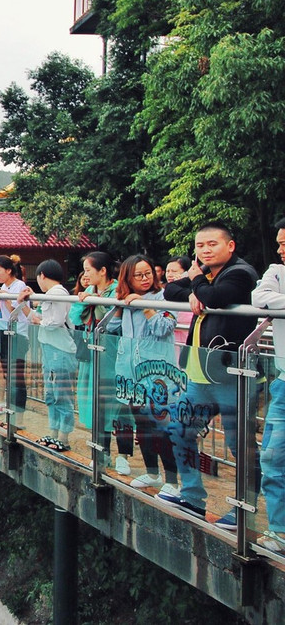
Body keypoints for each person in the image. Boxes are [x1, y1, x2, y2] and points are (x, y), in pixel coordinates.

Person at [156, 223, 259, 529]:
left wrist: (196, 280)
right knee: (179, 428)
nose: (204, 250)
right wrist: (194, 291)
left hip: (232, 376)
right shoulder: (210, 277)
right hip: (200, 377)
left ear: (231, 246)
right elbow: (170, 289)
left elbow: (216, 297)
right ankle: (192, 497)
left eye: (211, 244)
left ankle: (245, 512)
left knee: (240, 445)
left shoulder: (241, 273)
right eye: (199, 246)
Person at [107, 255, 180, 494]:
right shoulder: (127, 301)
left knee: (161, 426)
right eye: (138, 275)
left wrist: (145, 307)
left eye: (148, 272)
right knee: (143, 425)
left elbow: (163, 328)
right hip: (131, 375)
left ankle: (172, 481)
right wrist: (120, 307)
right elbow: (111, 329)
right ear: (128, 278)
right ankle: (152, 472)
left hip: (157, 375)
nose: (145, 278)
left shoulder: (164, 297)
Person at [70, 251, 129, 473]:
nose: (85, 275)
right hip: (92, 355)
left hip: (115, 356)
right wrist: (84, 301)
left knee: (120, 403)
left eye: (88, 270)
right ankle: (101, 452)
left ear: (102, 271)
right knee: (97, 404)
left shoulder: (118, 290)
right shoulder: (88, 291)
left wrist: (97, 302)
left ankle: (123, 454)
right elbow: (75, 317)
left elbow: (117, 320)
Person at [19, 259, 76, 450]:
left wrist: (38, 318)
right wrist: (28, 306)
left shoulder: (57, 293)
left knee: (62, 394)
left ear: (42, 275)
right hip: (50, 348)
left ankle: (64, 437)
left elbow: (54, 322)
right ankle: (54, 432)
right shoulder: (49, 295)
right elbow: (39, 317)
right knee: (51, 393)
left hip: (60, 350)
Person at [253, 217, 285, 553]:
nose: (279, 249)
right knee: (272, 458)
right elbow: (260, 298)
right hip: (283, 385)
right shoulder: (276, 272)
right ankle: (279, 530)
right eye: (278, 242)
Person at [0, 255, 30, 427]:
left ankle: (18, 420)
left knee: (16, 377)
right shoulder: (4, 286)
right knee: (7, 374)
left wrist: (3, 295)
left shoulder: (19, 286)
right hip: (4, 331)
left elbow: (17, 309)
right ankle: (10, 416)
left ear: (9, 270)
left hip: (18, 334)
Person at [165, 256, 193, 345]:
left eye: (174, 271)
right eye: (167, 271)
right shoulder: (164, 292)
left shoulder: (193, 292)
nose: (169, 274)